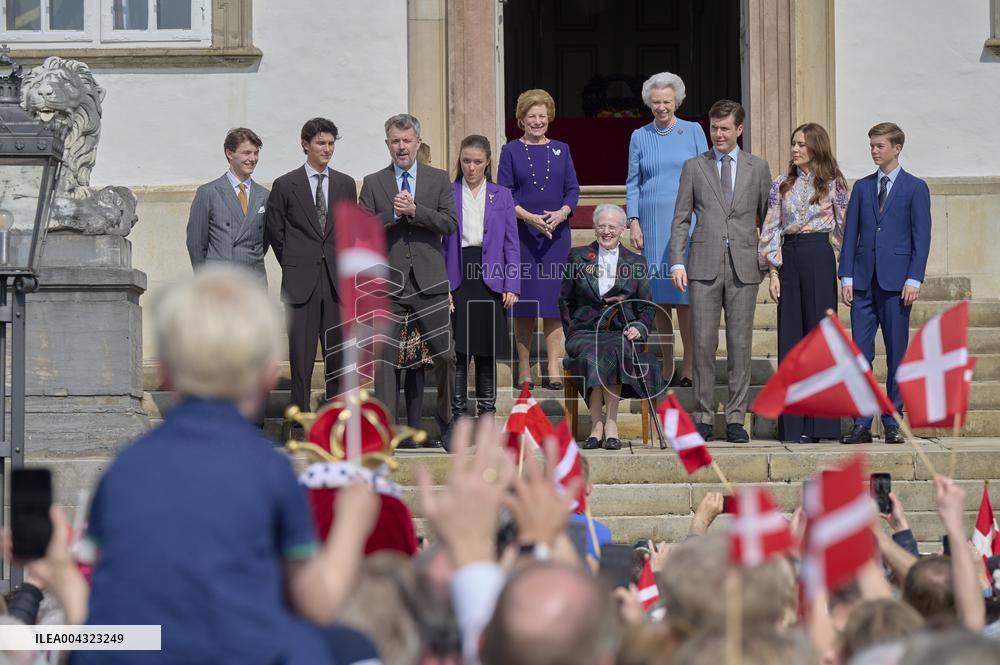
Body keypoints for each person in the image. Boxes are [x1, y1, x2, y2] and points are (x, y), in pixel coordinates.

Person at [71, 265, 380, 665]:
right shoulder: (269, 471)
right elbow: (317, 603)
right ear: (269, 374)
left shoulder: (124, 468)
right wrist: (352, 523)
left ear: (164, 370)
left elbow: (100, 594)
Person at [669, 99, 772, 443]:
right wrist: (677, 261)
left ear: (739, 129)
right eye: (714, 128)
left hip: (744, 267)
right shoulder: (694, 167)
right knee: (702, 343)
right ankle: (702, 416)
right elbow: (681, 218)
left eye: (725, 128)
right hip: (703, 265)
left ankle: (736, 419)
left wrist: (770, 266)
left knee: (740, 345)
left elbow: (768, 221)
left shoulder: (758, 168)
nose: (718, 134)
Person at [359, 113, 458, 448]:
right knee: (385, 361)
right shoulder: (374, 182)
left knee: (446, 355)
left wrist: (416, 211)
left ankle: (447, 422)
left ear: (418, 142)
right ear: (387, 144)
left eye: (406, 140)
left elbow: (449, 224)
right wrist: (391, 215)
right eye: (395, 141)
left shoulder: (438, 179)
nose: (401, 147)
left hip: (430, 283)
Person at [838, 122, 931, 445]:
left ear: (897, 148)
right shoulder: (862, 187)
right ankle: (861, 423)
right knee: (861, 356)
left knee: (897, 356)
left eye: (880, 146)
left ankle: (892, 421)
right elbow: (851, 234)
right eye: (872, 146)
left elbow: (922, 237)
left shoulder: (915, 188)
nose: (874, 151)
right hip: (863, 284)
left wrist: (914, 277)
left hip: (897, 285)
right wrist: (846, 276)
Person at [758, 123, 848, 443]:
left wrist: (845, 270)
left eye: (801, 145)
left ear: (816, 148)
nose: (795, 149)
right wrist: (773, 272)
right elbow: (770, 228)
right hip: (790, 259)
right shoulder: (781, 184)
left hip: (819, 256)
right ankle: (793, 426)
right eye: (793, 143)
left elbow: (845, 228)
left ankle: (823, 424)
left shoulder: (834, 184)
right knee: (791, 342)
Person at [265, 117, 357, 417]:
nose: (326, 149)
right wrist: (295, 263)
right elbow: (275, 232)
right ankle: (299, 422)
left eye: (330, 143)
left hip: (336, 283)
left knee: (338, 357)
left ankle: (336, 422)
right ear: (305, 144)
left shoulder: (345, 184)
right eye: (320, 143)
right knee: (301, 358)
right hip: (300, 282)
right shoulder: (285, 185)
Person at [626, 72, 708, 387]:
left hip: (687, 220)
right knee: (658, 297)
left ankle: (690, 364)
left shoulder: (693, 131)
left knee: (684, 296)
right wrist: (634, 220)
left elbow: (706, 175)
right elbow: (633, 182)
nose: (662, 107)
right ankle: (667, 363)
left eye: (667, 102)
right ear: (649, 103)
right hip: (651, 221)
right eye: (656, 102)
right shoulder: (639, 135)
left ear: (677, 102)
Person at [560, 204, 661, 451]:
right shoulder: (577, 257)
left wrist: (639, 327)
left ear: (623, 229)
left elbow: (647, 308)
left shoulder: (636, 262)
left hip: (620, 331)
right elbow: (565, 301)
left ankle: (610, 424)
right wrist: (571, 331)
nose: (606, 231)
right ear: (594, 228)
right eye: (601, 226)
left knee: (614, 348)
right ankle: (597, 424)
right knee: (594, 350)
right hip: (584, 331)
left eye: (612, 227)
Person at [498, 89, 580, 390]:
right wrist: (529, 218)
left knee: (553, 302)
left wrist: (561, 213)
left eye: (542, 116)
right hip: (522, 236)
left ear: (550, 118)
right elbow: (505, 193)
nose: (537, 121)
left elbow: (573, 189)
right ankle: (524, 366)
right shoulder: (510, 151)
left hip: (556, 236)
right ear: (521, 119)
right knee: (525, 303)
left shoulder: (562, 149)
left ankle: (553, 364)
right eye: (531, 116)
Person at [442, 135, 520, 422]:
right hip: (458, 274)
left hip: (491, 279)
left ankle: (487, 414)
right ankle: (459, 416)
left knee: (487, 352)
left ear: (487, 162)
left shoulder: (502, 195)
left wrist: (512, 284)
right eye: (466, 161)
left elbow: (511, 243)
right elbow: (439, 244)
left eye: (477, 161)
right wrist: (442, 286)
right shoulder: (448, 192)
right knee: (458, 353)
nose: (471, 167)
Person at [186, 127, 270, 280]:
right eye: (246, 153)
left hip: (254, 281)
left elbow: (264, 241)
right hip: (220, 282)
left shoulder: (264, 195)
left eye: (256, 153)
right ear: (229, 153)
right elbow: (196, 243)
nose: (252, 158)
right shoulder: (209, 192)